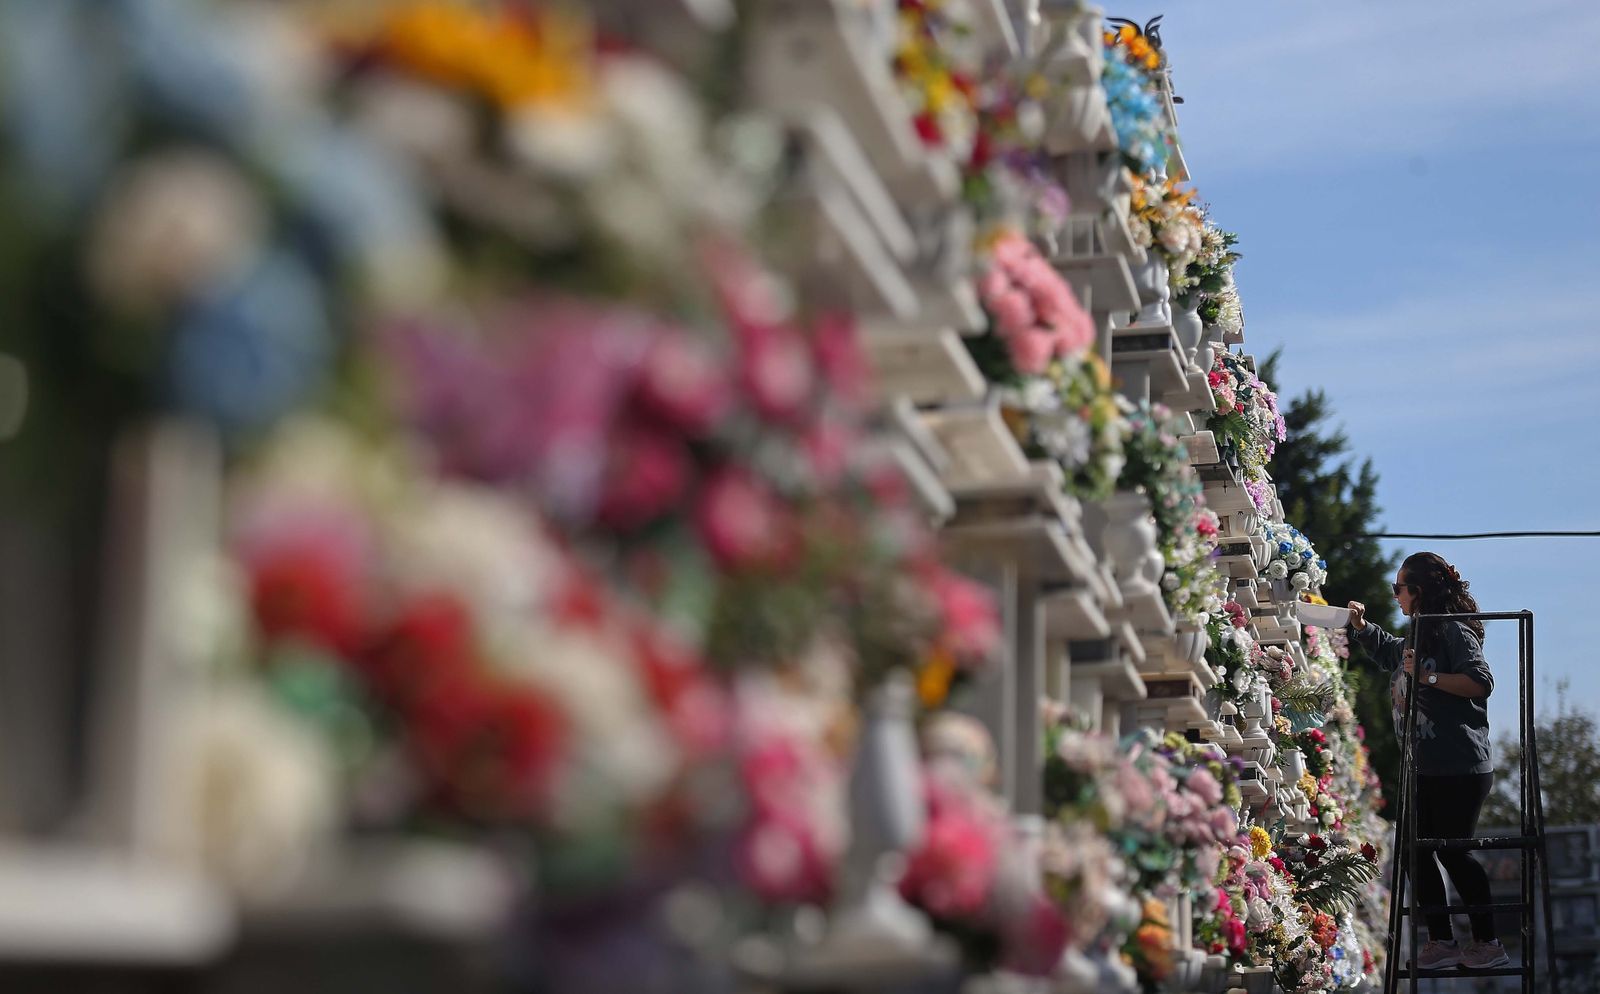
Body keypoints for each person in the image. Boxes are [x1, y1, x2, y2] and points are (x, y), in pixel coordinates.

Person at [1346, 551, 1509, 971]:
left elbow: (1479, 681)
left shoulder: (1452, 631)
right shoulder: (1417, 636)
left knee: (1453, 851)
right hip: (1425, 768)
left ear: (1418, 592)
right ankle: (1441, 940)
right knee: (1413, 851)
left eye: (1398, 588)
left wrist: (1427, 678)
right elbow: (1392, 654)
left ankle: (1488, 942)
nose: (1395, 596)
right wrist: (1363, 628)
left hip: (1460, 767)